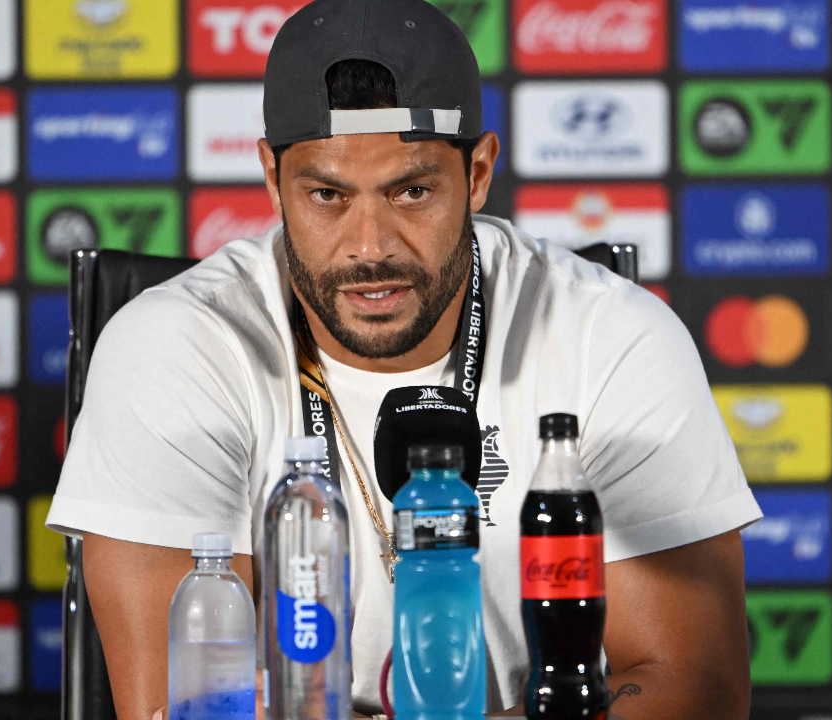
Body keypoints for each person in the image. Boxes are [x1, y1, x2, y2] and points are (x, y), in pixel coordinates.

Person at [46, 0, 761, 718]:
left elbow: (696, 686)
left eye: (411, 191)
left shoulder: (612, 335)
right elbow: (181, 706)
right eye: (327, 195)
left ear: (477, 173)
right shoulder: (175, 347)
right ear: (272, 177)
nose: (369, 246)